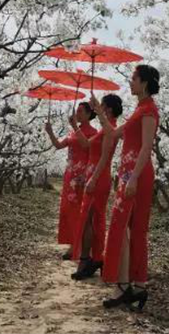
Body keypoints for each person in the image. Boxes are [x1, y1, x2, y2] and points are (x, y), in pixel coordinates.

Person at [90, 64, 160, 311]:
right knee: (132, 229)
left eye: (133, 78)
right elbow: (113, 133)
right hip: (129, 174)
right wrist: (99, 112)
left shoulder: (149, 110)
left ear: (144, 82)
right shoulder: (139, 109)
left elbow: (146, 147)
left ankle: (124, 286)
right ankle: (137, 286)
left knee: (125, 228)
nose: (130, 82)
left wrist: (133, 179)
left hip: (136, 176)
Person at [69, 93, 123, 281]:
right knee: (93, 220)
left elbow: (105, 157)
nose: (98, 108)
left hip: (98, 177)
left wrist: (93, 179)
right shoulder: (104, 129)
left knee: (89, 219)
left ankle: (86, 260)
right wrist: (75, 127)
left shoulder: (110, 128)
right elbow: (85, 144)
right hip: (94, 175)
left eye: (102, 105)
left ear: (108, 108)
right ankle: (96, 258)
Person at [44, 102, 97, 260]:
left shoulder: (93, 132)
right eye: (77, 111)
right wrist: (50, 132)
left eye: (80, 111)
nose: (77, 114)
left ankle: (78, 247)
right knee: (68, 210)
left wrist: (75, 127)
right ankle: (73, 244)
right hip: (69, 176)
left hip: (82, 177)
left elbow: (86, 147)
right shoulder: (73, 132)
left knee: (79, 211)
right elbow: (58, 145)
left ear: (89, 114)